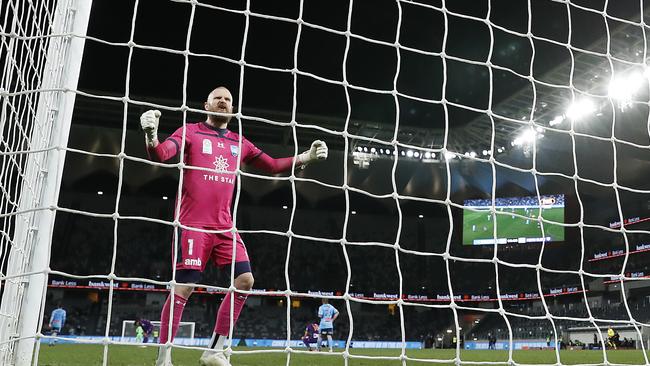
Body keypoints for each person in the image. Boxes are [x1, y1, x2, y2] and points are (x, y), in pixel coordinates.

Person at [141, 86, 328, 366]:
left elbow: (274, 165)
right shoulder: (190, 132)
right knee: (184, 287)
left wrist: (306, 157)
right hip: (193, 225)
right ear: (206, 104)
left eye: (227, 99)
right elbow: (162, 154)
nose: (223, 102)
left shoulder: (239, 142)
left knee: (245, 281)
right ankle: (163, 357)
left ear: (232, 107)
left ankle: (213, 350)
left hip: (224, 227)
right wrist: (151, 136)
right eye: (217, 98)